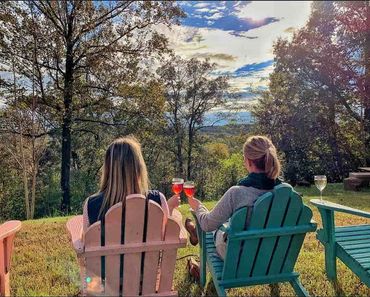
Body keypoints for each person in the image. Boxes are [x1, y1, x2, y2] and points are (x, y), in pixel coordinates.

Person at [186, 135, 282, 259]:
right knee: (229, 221)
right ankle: (195, 233)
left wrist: (198, 206)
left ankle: (196, 233)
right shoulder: (285, 192)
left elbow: (207, 225)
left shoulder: (237, 193)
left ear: (248, 161)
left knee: (215, 227)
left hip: (238, 257)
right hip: (272, 256)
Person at [82, 136, 181, 233]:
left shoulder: (91, 204)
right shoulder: (157, 200)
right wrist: (170, 208)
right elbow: (167, 237)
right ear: (139, 168)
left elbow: (86, 243)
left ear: (108, 169)